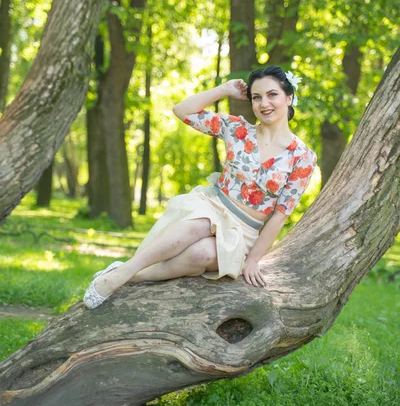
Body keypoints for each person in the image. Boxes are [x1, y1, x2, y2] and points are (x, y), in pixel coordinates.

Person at [83, 65, 317, 309]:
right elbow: (182, 111)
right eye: (256, 97)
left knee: (202, 256)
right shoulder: (237, 130)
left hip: (245, 230)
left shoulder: (303, 157)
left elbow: (280, 215)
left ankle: (127, 274)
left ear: (289, 97)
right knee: (201, 223)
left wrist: (253, 260)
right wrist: (224, 89)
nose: (263, 103)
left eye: (272, 95)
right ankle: (119, 276)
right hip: (213, 206)